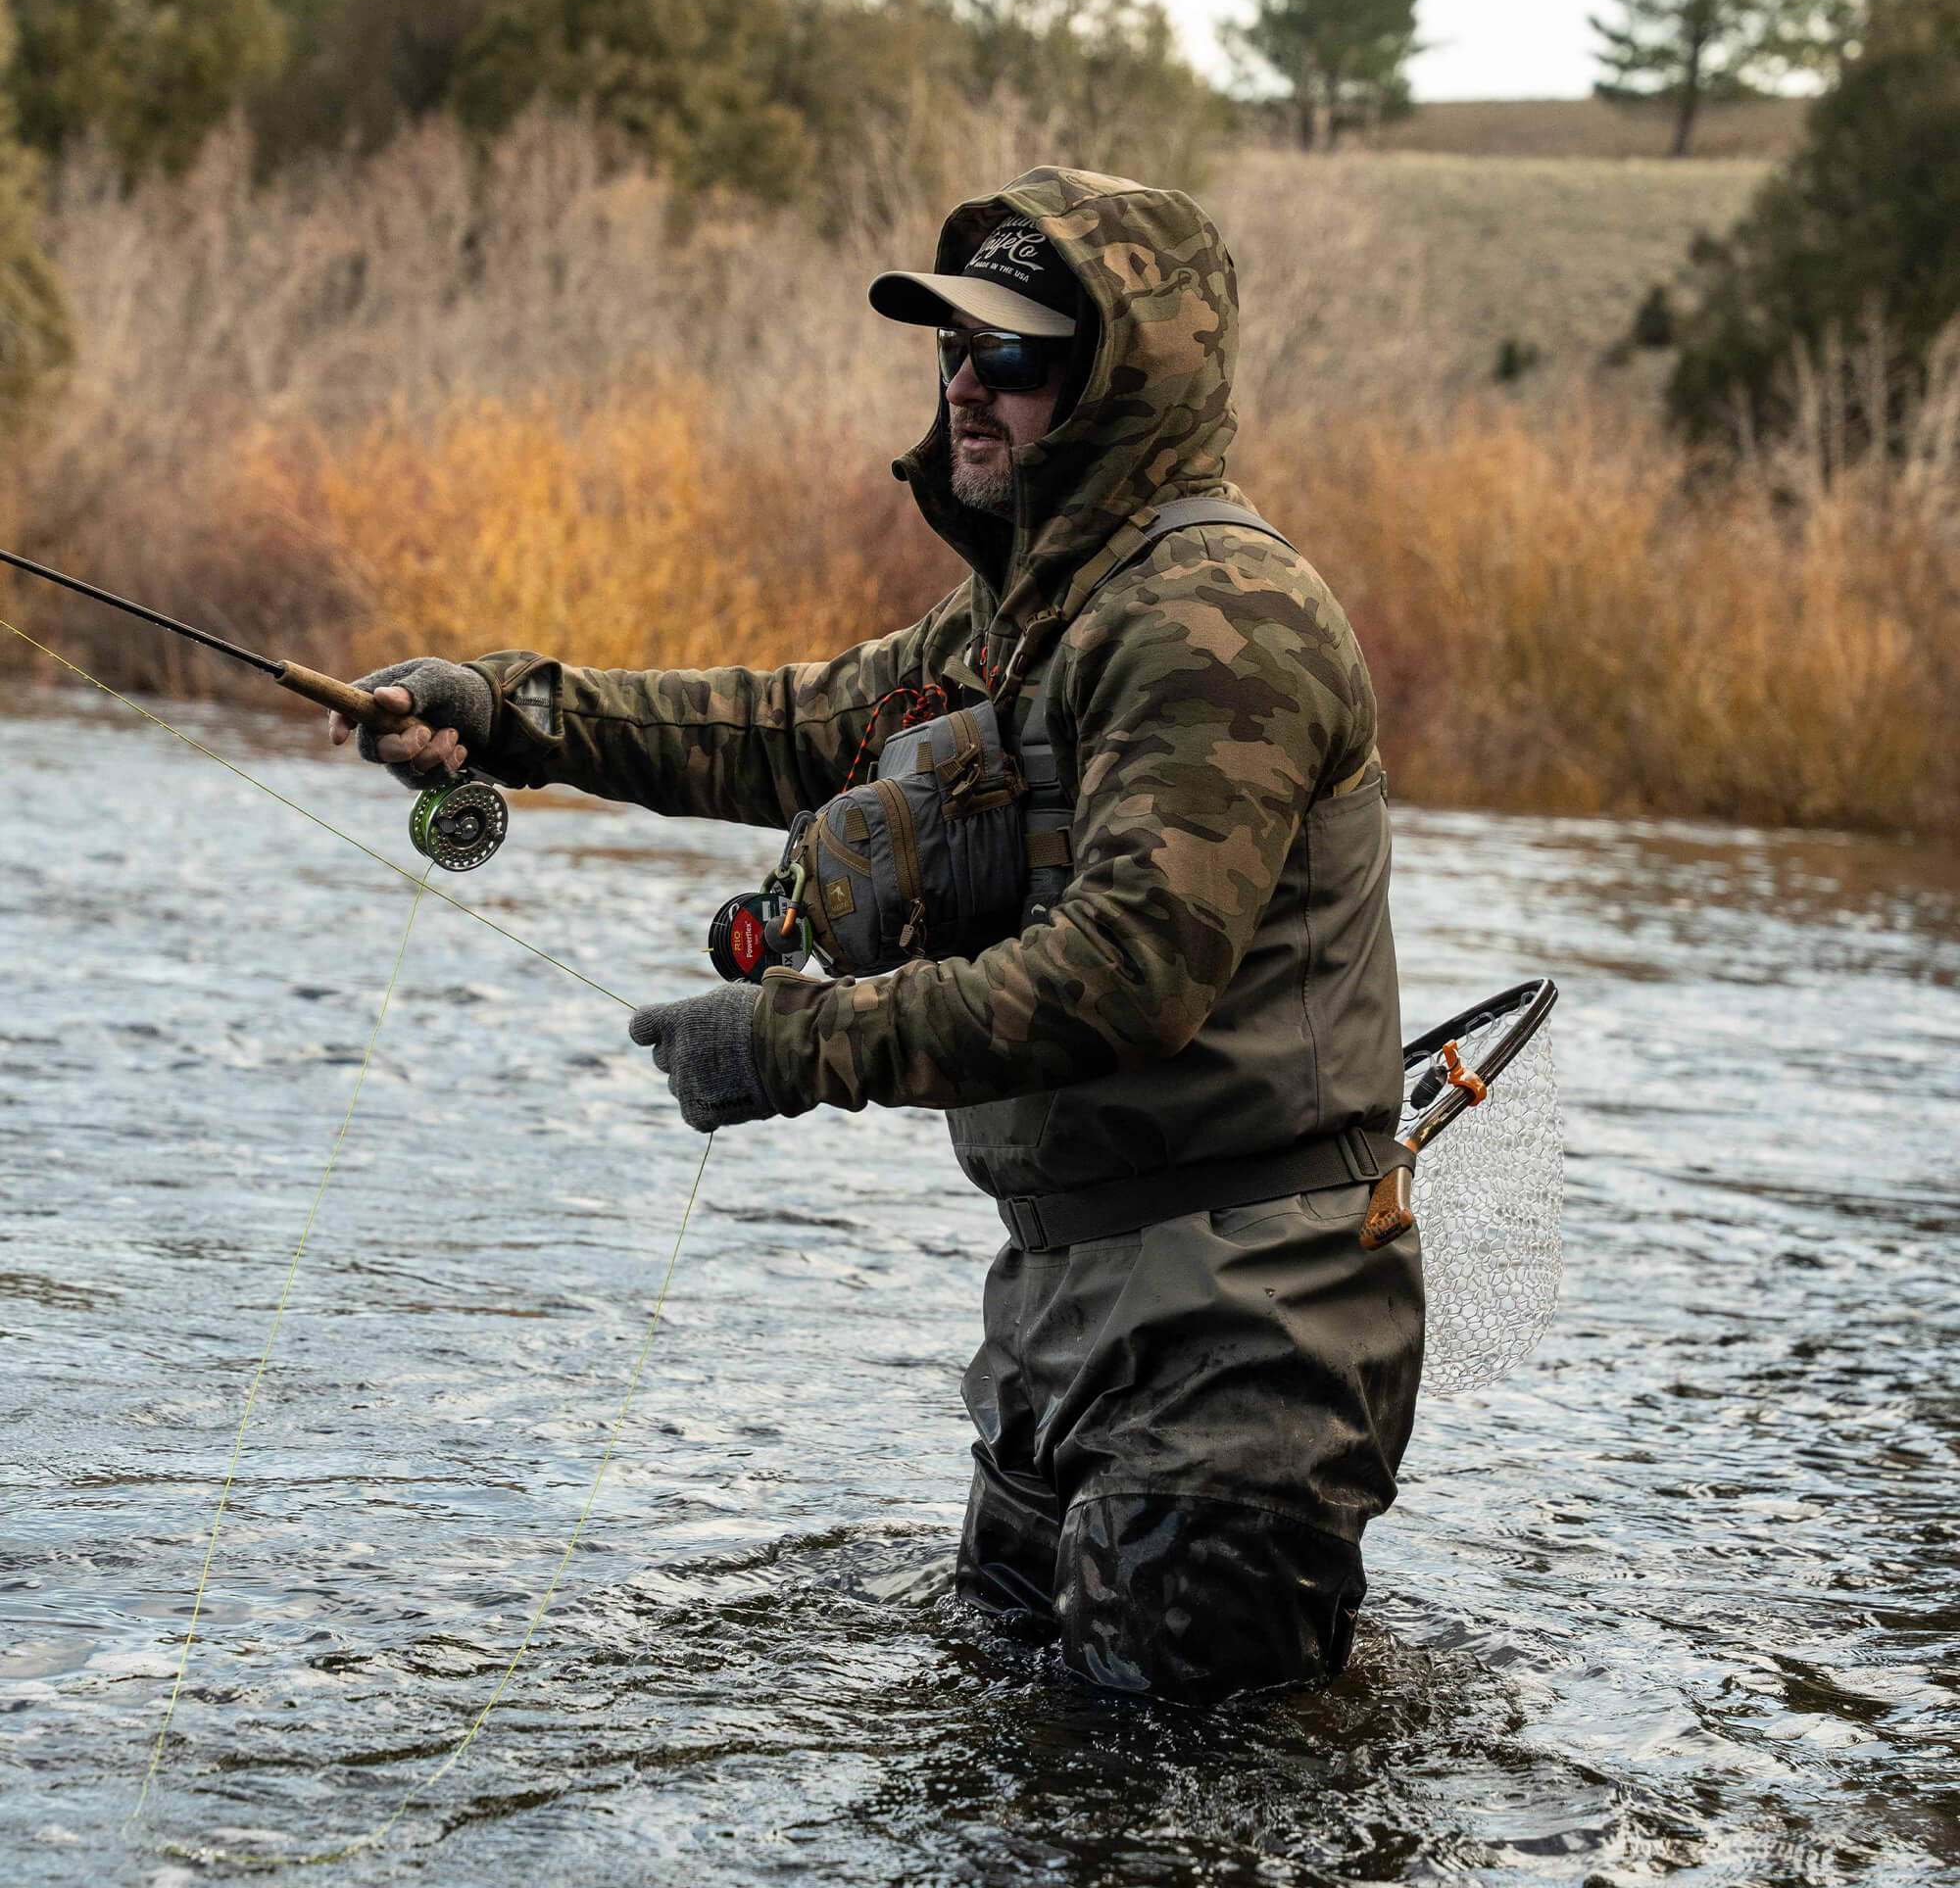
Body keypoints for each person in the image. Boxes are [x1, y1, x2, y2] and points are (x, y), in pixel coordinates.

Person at [328, 168, 1423, 1702]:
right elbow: (782, 728)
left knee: (1165, 1819)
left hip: (1243, 1345)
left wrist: (792, 1047)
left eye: (1016, 356)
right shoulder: (1016, 623)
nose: (968, 386)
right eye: (949, 351)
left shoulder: (1216, 620)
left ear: (1125, 379)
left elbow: (1131, 976)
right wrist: (508, 710)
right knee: (1001, 1782)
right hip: (1063, 1322)